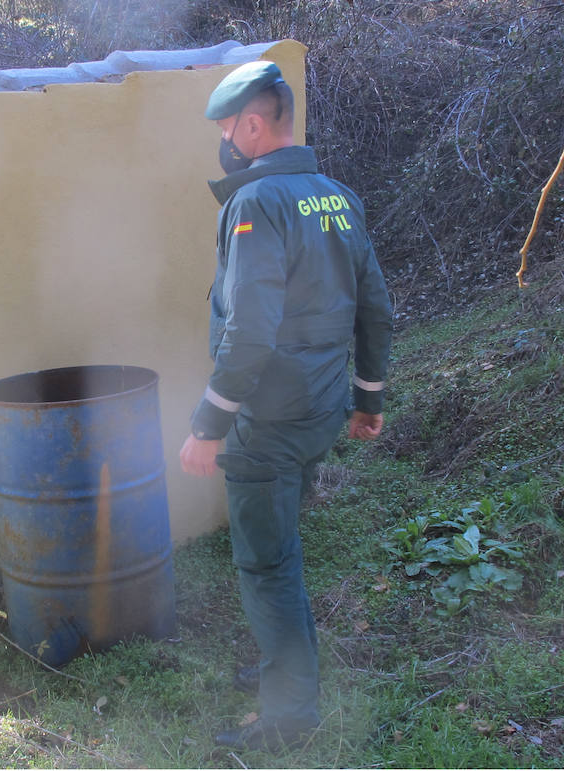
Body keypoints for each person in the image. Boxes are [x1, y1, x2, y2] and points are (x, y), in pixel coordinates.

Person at [178, 60, 393, 752]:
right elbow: (375, 308)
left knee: (268, 564)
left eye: (225, 128)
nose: (222, 141)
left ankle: (289, 717)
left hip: (266, 421)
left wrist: (208, 427)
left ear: (251, 124)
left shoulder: (256, 204)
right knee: (283, 543)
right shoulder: (338, 196)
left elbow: (249, 332)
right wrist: (367, 400)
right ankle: (283, 661)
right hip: (321, 409)